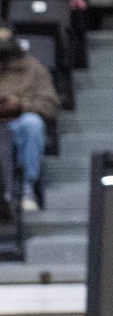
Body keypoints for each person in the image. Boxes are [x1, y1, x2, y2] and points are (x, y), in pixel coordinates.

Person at [0, 23, 58, 213]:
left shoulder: (34, 67)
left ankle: (27, 190)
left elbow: (50, 103)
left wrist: (21, 106)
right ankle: (5, 195)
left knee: (33, 124)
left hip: (21, 120)